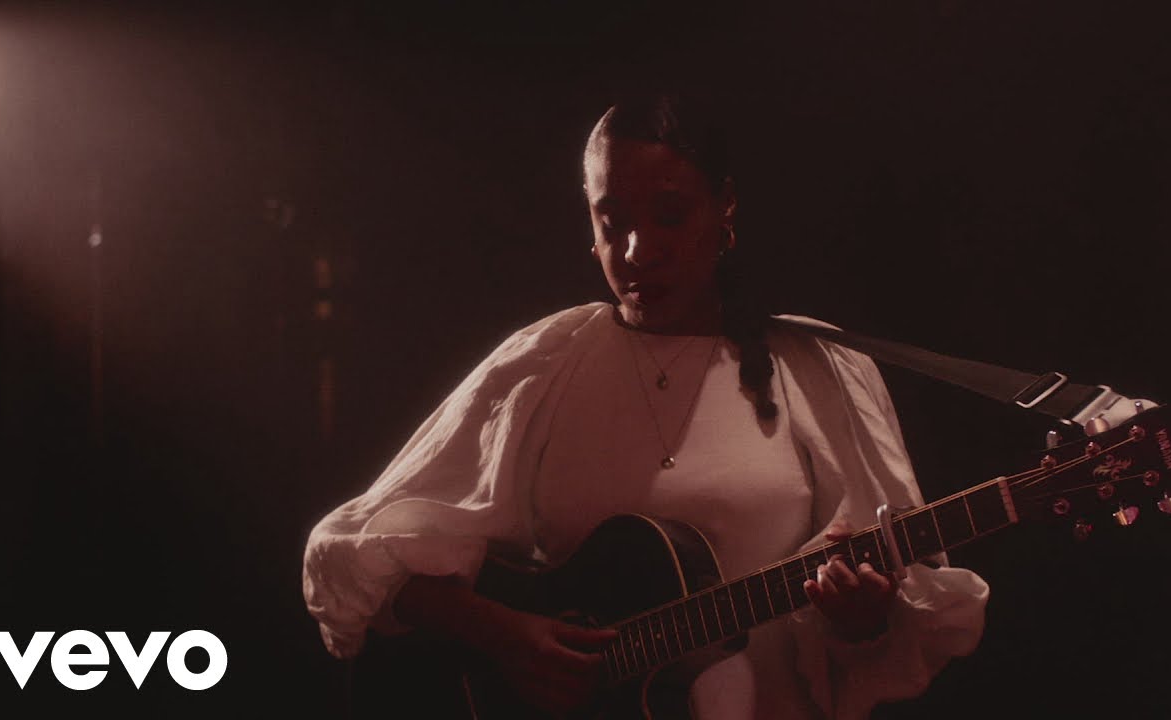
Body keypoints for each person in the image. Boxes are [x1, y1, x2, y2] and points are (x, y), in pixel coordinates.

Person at [302, 92, 988, 720]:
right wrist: (508, 635)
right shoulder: (545, 363)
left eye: (669, 215)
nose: (636, 251)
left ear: (724, 209)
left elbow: (905, 629)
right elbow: (353, 552)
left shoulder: (818, 368)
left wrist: (864, 623)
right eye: (613, 221)